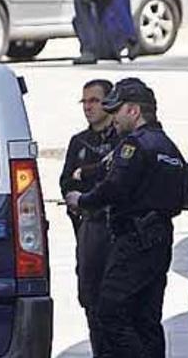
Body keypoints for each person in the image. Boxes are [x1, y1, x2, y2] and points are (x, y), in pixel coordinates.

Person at [65, 78, 186, 358]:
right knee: (146, 318)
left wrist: (81, 200)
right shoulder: (167, 146)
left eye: (116, 110)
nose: (113, 117)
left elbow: (114, 187)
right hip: (159, 238)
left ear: (133, 111)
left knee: (108, 311)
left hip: (135, 239)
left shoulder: (135, 145)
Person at [59, 79, 118, 355]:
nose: (88, 107)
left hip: (118, 231)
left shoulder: (123, 139)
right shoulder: (79, 142)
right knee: (90, 297)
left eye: (94, 100)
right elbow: (66, 183)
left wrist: (88, 178)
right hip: (88, 228)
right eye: (85, 101)